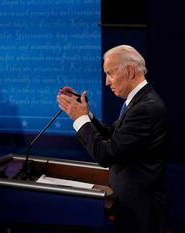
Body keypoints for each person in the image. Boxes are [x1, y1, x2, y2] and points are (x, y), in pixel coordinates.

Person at [56, 45, 170, 233]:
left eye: (110, 73)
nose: (107, 82)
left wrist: (80, 119)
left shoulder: (145, 108)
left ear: (130, 70)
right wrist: (87, 115)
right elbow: (114, 136)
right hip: (132, 204)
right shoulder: (139, 101)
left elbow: (107, 155)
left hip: (142, 211)